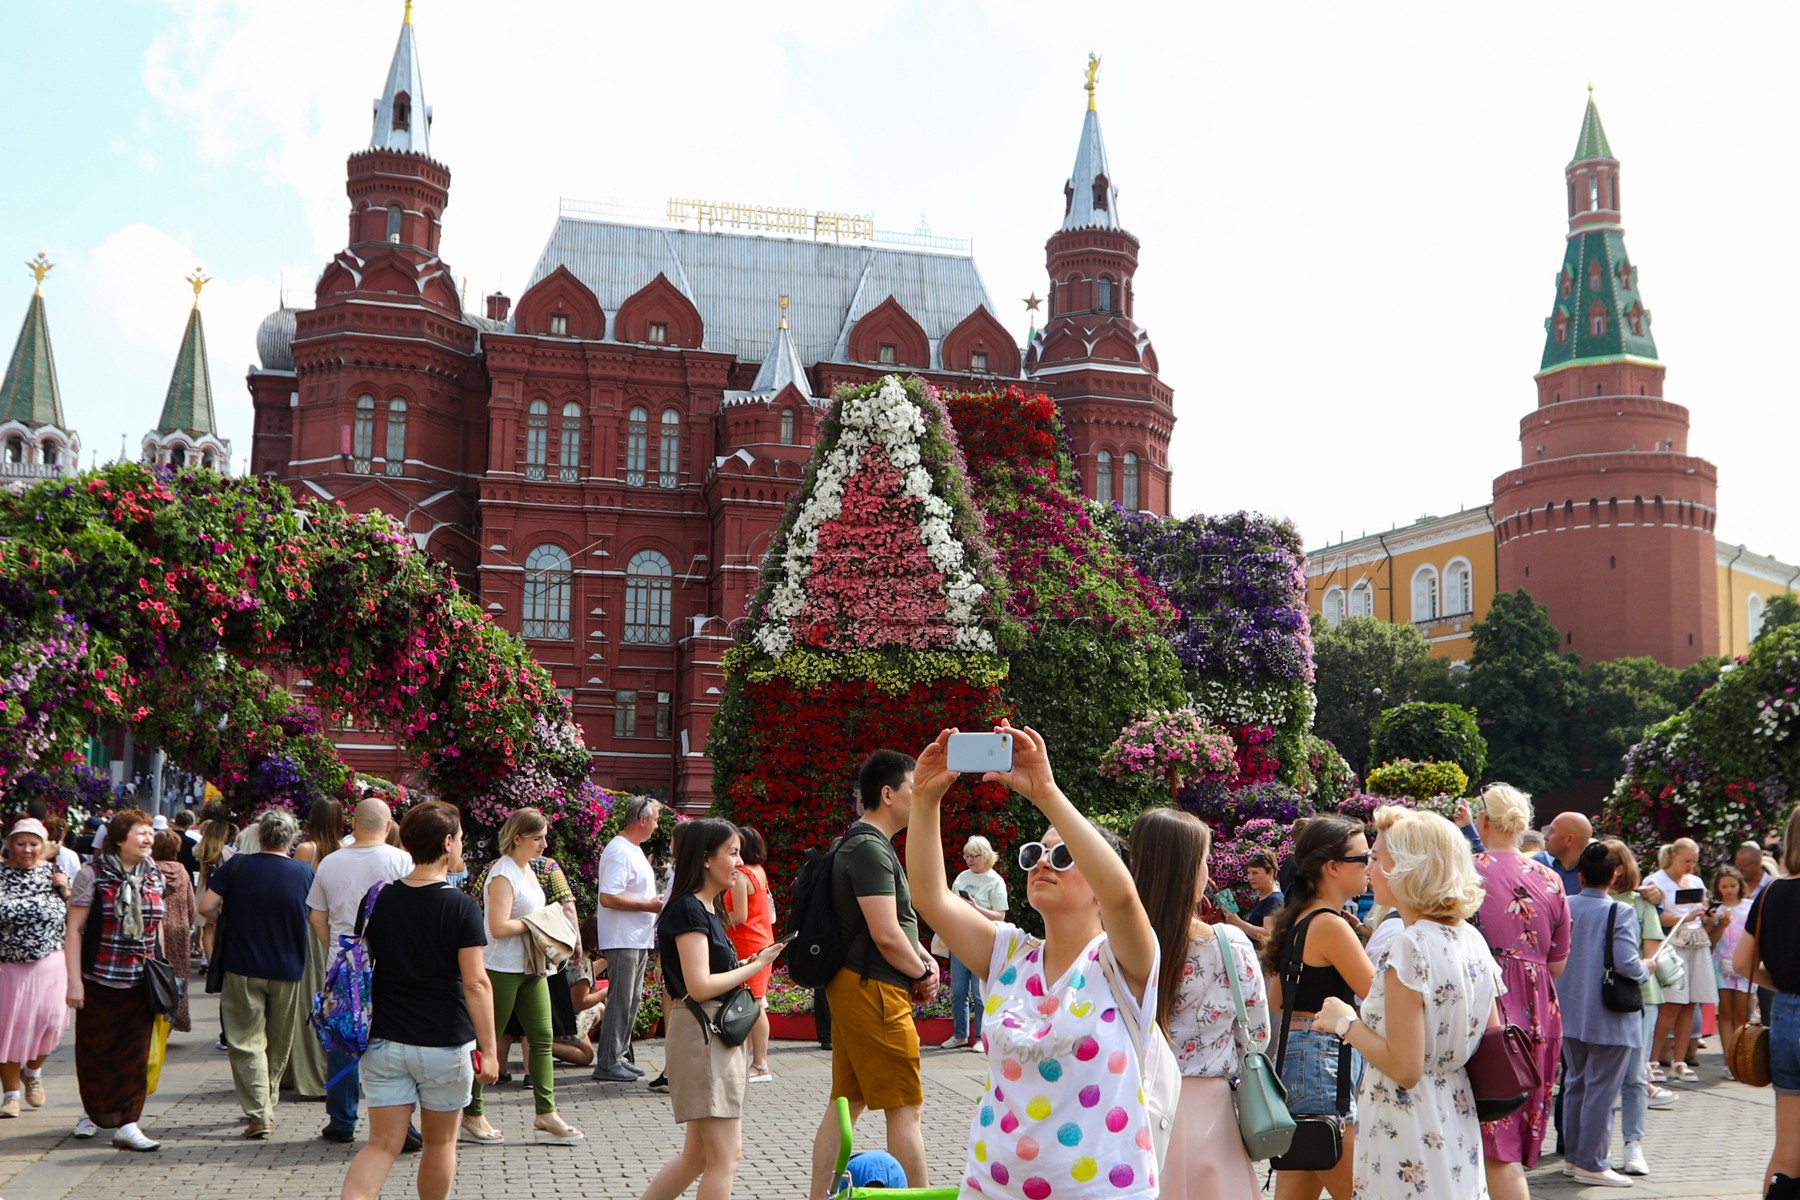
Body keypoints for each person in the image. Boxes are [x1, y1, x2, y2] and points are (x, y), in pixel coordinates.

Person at [909, 723, 1162, 1200]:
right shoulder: (1009, 954)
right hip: (991, 1186)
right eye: (1036, 854)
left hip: (1103, 1191)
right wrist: (925, 800)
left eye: (1064, 854)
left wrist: (1045, 792)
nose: (1044, 862)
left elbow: (1125, 899)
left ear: (1098, 882)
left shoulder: (1121, 964)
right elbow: (930, 896)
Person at [1311, 811, 1500, 1200]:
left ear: (1407, 867)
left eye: (1376, 858)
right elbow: (1487, 1031)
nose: (1369, 868)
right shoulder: (1470, 938)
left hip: (1407, 1118)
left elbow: (1405, 1067)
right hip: (1453, 1107)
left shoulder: (1410, 945)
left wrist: (1345, 1022)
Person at [339, 801, 499, 1200]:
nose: (462, 846)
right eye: (460, 838)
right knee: (440, 1143)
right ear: (447, 842)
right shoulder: (461, 906)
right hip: (444, 1041)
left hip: (385, 1038)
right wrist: (491, 1049)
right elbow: (476, 983)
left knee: (381, 1144)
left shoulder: (377, 898)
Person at [805, 749, 940, 1200]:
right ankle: (915, 1197)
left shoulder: (864, 842)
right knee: (905, 1108)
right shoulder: (867, 847)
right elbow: (885, 934)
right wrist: (922, 971)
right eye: (912, 787)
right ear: (887, 793)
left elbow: (892, 926)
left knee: (847, 1101)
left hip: (858, 986)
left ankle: (820, 1195)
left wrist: (922, 958)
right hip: (874, 989)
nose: (918, 795)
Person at [636, 819, 788, 1200]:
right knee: (724, 1158)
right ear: (706, 859)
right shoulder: (689, 909)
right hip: (705, 1037)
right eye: (733, 853)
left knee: (699, 1157)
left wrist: (748, 963)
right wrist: (755, 967)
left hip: (710, 1035)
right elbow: (699, 985)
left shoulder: (702, 907)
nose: (740, 863)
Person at [1132, 806, 1268, 1200]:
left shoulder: (1115, 946)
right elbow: (1256, 1035)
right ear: (1192, 869)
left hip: (1131, 1108)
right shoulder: (1229, 943)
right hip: (1212, 1112)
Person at [1262, 814, 1375, 1200]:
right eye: (1363, 858)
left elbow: (1278, 1000)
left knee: (1298, 1188)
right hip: (1325, 1059)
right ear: (1333, 867)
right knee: (1359, 1191)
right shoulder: (1330, 924)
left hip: (1298, 1059)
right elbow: (1377, 995)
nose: (1370, 866)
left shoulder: (1300, 918)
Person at [1467, 783, 1571, 1200]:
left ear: (1484, 821)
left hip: (1487, 1005)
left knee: (1490, 1141)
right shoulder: (1550, 878)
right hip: (1539, 1008)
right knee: (1510, 1133)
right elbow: (1558, 962)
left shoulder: (1467, 872)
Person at [457, 807, 582, 1145]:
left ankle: (546, 1113)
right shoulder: (503, 874)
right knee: (488, 1041)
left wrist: (537, 922)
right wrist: (538, 922)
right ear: (519, 838)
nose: (545, 843)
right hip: (500, 968)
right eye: (538, 837)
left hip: (531, 966)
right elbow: (496, 927)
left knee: (542, 1036)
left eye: (544, 837)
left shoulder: (526, 869)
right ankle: (472, 1112)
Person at [198, 808, 315, 1139]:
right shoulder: (303, 873)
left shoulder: (237, 866)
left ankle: (259, 1111)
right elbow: (313, 915)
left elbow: (205, 907)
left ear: (260, 835)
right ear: (291, 840)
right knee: (278, 1043)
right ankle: (267, 1103)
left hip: (243, 965)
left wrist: (229, 914)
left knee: (245, 1040)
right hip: (289, 967)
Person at [307, 797, 414, 1145]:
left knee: (343, 1039)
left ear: (352, 824)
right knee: (396, 1042)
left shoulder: (330, 863)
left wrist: (335, 949)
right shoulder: (402, 861)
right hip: (391, 964)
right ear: (388, 826)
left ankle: (341, 1120)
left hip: (342, 965)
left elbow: (316, 916)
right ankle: (402, 1124)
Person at [64, 808, 165, 1151]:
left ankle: (127, 1122)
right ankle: (93, 1113)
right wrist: (74, 980)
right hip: (100, 978)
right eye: (141, 833)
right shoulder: (93, 875)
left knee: (134, 1055)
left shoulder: (154, 874)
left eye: (150, 832)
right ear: (120, 839)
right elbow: (75, 929)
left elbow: (156, 925)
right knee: (96, 1052)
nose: (148, 839)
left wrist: (164, 973)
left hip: (140, 981)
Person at [1557, 839, 1651, 1187]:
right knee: (1600, 1090)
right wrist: (1647, 969)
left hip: (1570, 1009)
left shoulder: (1565, 905)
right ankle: (1592, 1163)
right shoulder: (1620, 911)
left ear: (1579, 875)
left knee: (1576, 1083)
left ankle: (1574, 1157)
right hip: (1608, 1013)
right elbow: (1627, 962)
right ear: (1616, 874)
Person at [1735, 807, 1800, 1199]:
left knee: (1787, 1150)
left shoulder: (1772, 891)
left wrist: (1775, 983)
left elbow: (1742, 962)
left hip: (1788, 1014)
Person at [1609, 841, 1675, 1178]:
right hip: (1602, 997)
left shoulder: (1641, 903)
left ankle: (1633, 1143)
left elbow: (1652, 952)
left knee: (1635, 1075)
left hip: (1638, 996)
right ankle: (1597, 1146)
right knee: (1599, 1076)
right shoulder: (1591, 898)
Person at [591, 796, 664, 1084]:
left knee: (630, 999)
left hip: (635, 936)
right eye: (655, 819)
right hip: (623, 937)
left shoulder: (630, 849)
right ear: (642, 819)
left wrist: (649, 904)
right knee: (621, 999)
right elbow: (608, 897)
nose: (657, 825)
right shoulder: (620, 851)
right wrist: (649, 906)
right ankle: (608, 1061)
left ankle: (618, 1056)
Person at [0, 818, 70, 1118]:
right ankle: (11, 1094)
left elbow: (74, 918)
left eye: (33, 843)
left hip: (51, 963)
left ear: (44, 846)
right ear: (9, 844)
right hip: (8, 965)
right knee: (9, 1029)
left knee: (52, 1023)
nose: (26, 849)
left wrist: (66, 891)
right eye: (20, 842)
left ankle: (33, 1070)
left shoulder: (55, 874)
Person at [1646, 838, 1724, 1083]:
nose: (1691, 866)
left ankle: (1679, 1061)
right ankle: (1653, 1060)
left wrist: (1706, 914)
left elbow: (1702, 911)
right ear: (1674, 856)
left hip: (1696, 943)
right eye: (1687, 860)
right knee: (1671, 1004)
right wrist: (1685, 916)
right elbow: (1653, 916)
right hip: (1672, 946)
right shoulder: (1655, 881)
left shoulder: (1696, 881)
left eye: (1694, 861)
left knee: (1691, 1002)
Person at [722, 824, 778, 1080]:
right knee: (757, 1001)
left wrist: (714, 920)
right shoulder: (759, 871)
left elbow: (739, 915)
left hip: (748, 943)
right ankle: (757, 1061)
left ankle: (760, 1064)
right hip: (761, 939)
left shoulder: (742, 875)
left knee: (755, 1003)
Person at [942, 834, 1007, 1050]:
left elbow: (1000, 916)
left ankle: (980, 1037)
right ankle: (960, 1035)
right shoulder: (961, 877)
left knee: (980, 993)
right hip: (961, 938)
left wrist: (974, 908)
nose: (968, 860)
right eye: (966, 855)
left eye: (973, 856)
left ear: (986, 856)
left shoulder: (995, 881)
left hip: (984, 941)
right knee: (958, 990)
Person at [149, 831, 194, 1038]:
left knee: (157, 972)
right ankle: (175, 1016)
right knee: (178, 974)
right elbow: (190, 903)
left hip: (158, 925)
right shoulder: (182, 871)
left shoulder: (151, 869)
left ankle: (158, 1015)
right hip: (180, 928)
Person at [1713, 866, 1754, 1074]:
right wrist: (1718, 925)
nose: (1729, 890)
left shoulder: (1750, 907)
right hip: (1721, 964)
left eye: (1732, 885)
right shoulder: (1716, 911)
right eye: (1724, 886)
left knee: (1742, 1013)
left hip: (1745, 964)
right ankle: (1729, 1060)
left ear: (1740, 885)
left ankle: (1741, 1058)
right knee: (1725, 1012)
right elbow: (1710, 941)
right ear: (1718, 889)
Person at [194, 816, 235, 966]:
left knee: (207, 930)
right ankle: (217, 963)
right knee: (220, 929)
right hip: (221, 893)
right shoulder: (226, 852)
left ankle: (211, 964)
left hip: (204, 890)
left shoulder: (201, 849)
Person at [1223, 850, 1282, 944]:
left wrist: (1238, 922)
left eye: (1255, 873)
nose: (1250, 877)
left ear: (1271, 872)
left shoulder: (1274, 900)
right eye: (1248, 873)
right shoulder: (1264, 896)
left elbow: (1268, 934)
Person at [1537, 811, 1593, 896]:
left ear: (1569, 840)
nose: (1546, 837)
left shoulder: (1593, 873)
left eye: (1552, 832)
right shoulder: (1536, 864)